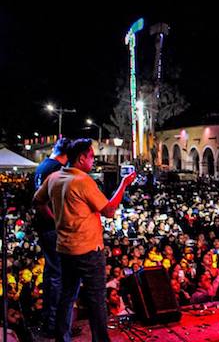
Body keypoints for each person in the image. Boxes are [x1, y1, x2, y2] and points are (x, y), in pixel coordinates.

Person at [33, 138, 137, 342]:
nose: (93, 161)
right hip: (88, 250)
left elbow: (37, 201)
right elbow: (108, 210)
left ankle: (62, 337)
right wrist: (124, 184)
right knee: (96, 299)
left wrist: (56, 221)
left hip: (65, 248)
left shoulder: (54, 177)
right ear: (81, 158)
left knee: (66, 295)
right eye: (92, 157)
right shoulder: (82, 181)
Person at [32, 137, 71, 337]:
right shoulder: (56, 169)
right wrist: (58, 221)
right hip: (53, 228)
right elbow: (44, 202)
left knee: (50, 274)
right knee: (58, 276)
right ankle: (55, 326)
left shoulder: (42, 166)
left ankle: (49, 320)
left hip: (44, 229)